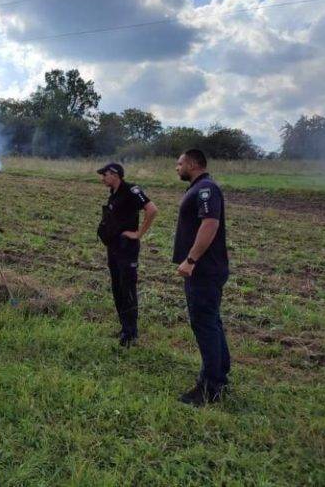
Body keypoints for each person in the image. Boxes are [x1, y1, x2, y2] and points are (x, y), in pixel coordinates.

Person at [173, 149, 231, 406]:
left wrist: (191, 260)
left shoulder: (206, 189)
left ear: (194, 164)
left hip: (203, 270)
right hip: (205, 270)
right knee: (211, 322)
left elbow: (210, 224)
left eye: (180, 163)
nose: (177, 167)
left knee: (204, 324)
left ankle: (209, 388)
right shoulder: (200, 188)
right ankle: (219, 376)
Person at [97, 162, 158, 347]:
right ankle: (124, 327)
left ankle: (131, 333)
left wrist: (139, 233)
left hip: (127, 248)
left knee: (127, 288)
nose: (102, 178)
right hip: (113, 247)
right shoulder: (113, 194)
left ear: (115, 174)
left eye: (105, 174)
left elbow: (152, 209)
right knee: (117, 287)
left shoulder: (131, 190)